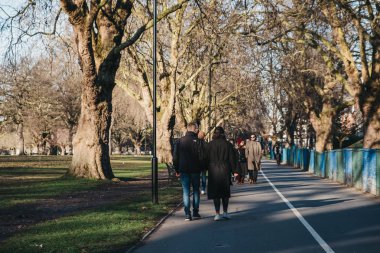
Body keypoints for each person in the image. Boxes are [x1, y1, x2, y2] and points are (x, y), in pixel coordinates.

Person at [173, 122, 203, 221]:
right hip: (195, 169)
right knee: (195, 191)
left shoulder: (179, 141)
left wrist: (177, 169)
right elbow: (202, 157)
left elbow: (175, 157)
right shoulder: (198, 141)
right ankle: (195, 211)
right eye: (197, 129)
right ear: (195, 129)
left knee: (186, 191)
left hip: (184, 169)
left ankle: (187, 214)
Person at [206, 126, 236, 221]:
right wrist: (234, 170)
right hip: (225, 169)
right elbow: (232, 158)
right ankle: (225, 212)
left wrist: (205, 168)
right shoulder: (227, 144)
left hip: (213, 169)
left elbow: (205, 158)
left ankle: (217, 213)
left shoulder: (210, 144)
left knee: (216, 193)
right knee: (225, 192)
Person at [198, 130, 208, 195]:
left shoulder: (195, 143)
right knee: (203, 176)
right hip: (204, 162)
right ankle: (203, 189)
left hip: (197, 162)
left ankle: (197, 188)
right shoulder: (206, 144)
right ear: (204, 137)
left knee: (197, 176)